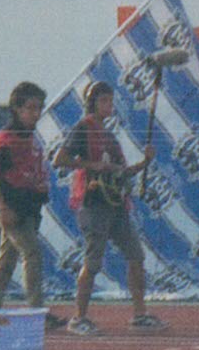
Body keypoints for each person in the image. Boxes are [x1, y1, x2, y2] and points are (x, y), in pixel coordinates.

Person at [53, 80, 166, 335]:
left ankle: (140, 314)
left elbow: (121, 171)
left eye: (111, 101)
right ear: (92, 103)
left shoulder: (109, 136)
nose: (109, 105)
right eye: (103, 100)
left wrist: (144, 163)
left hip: (115, 204)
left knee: (136, 255)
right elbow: (60, 159)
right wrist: (92, 165)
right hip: (93, 203)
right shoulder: (83, 129)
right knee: (93, 261)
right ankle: (78, 317)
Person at [0, 82, 64, 326]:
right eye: (30, 108)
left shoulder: (29, 137)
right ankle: (36, 312)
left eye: (39, 108)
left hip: (25, 206)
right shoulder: (7, 139)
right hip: (10, 206)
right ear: (17, 109)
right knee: (32, 253)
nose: (36, 113)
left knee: (6, 262)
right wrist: (2, 208)